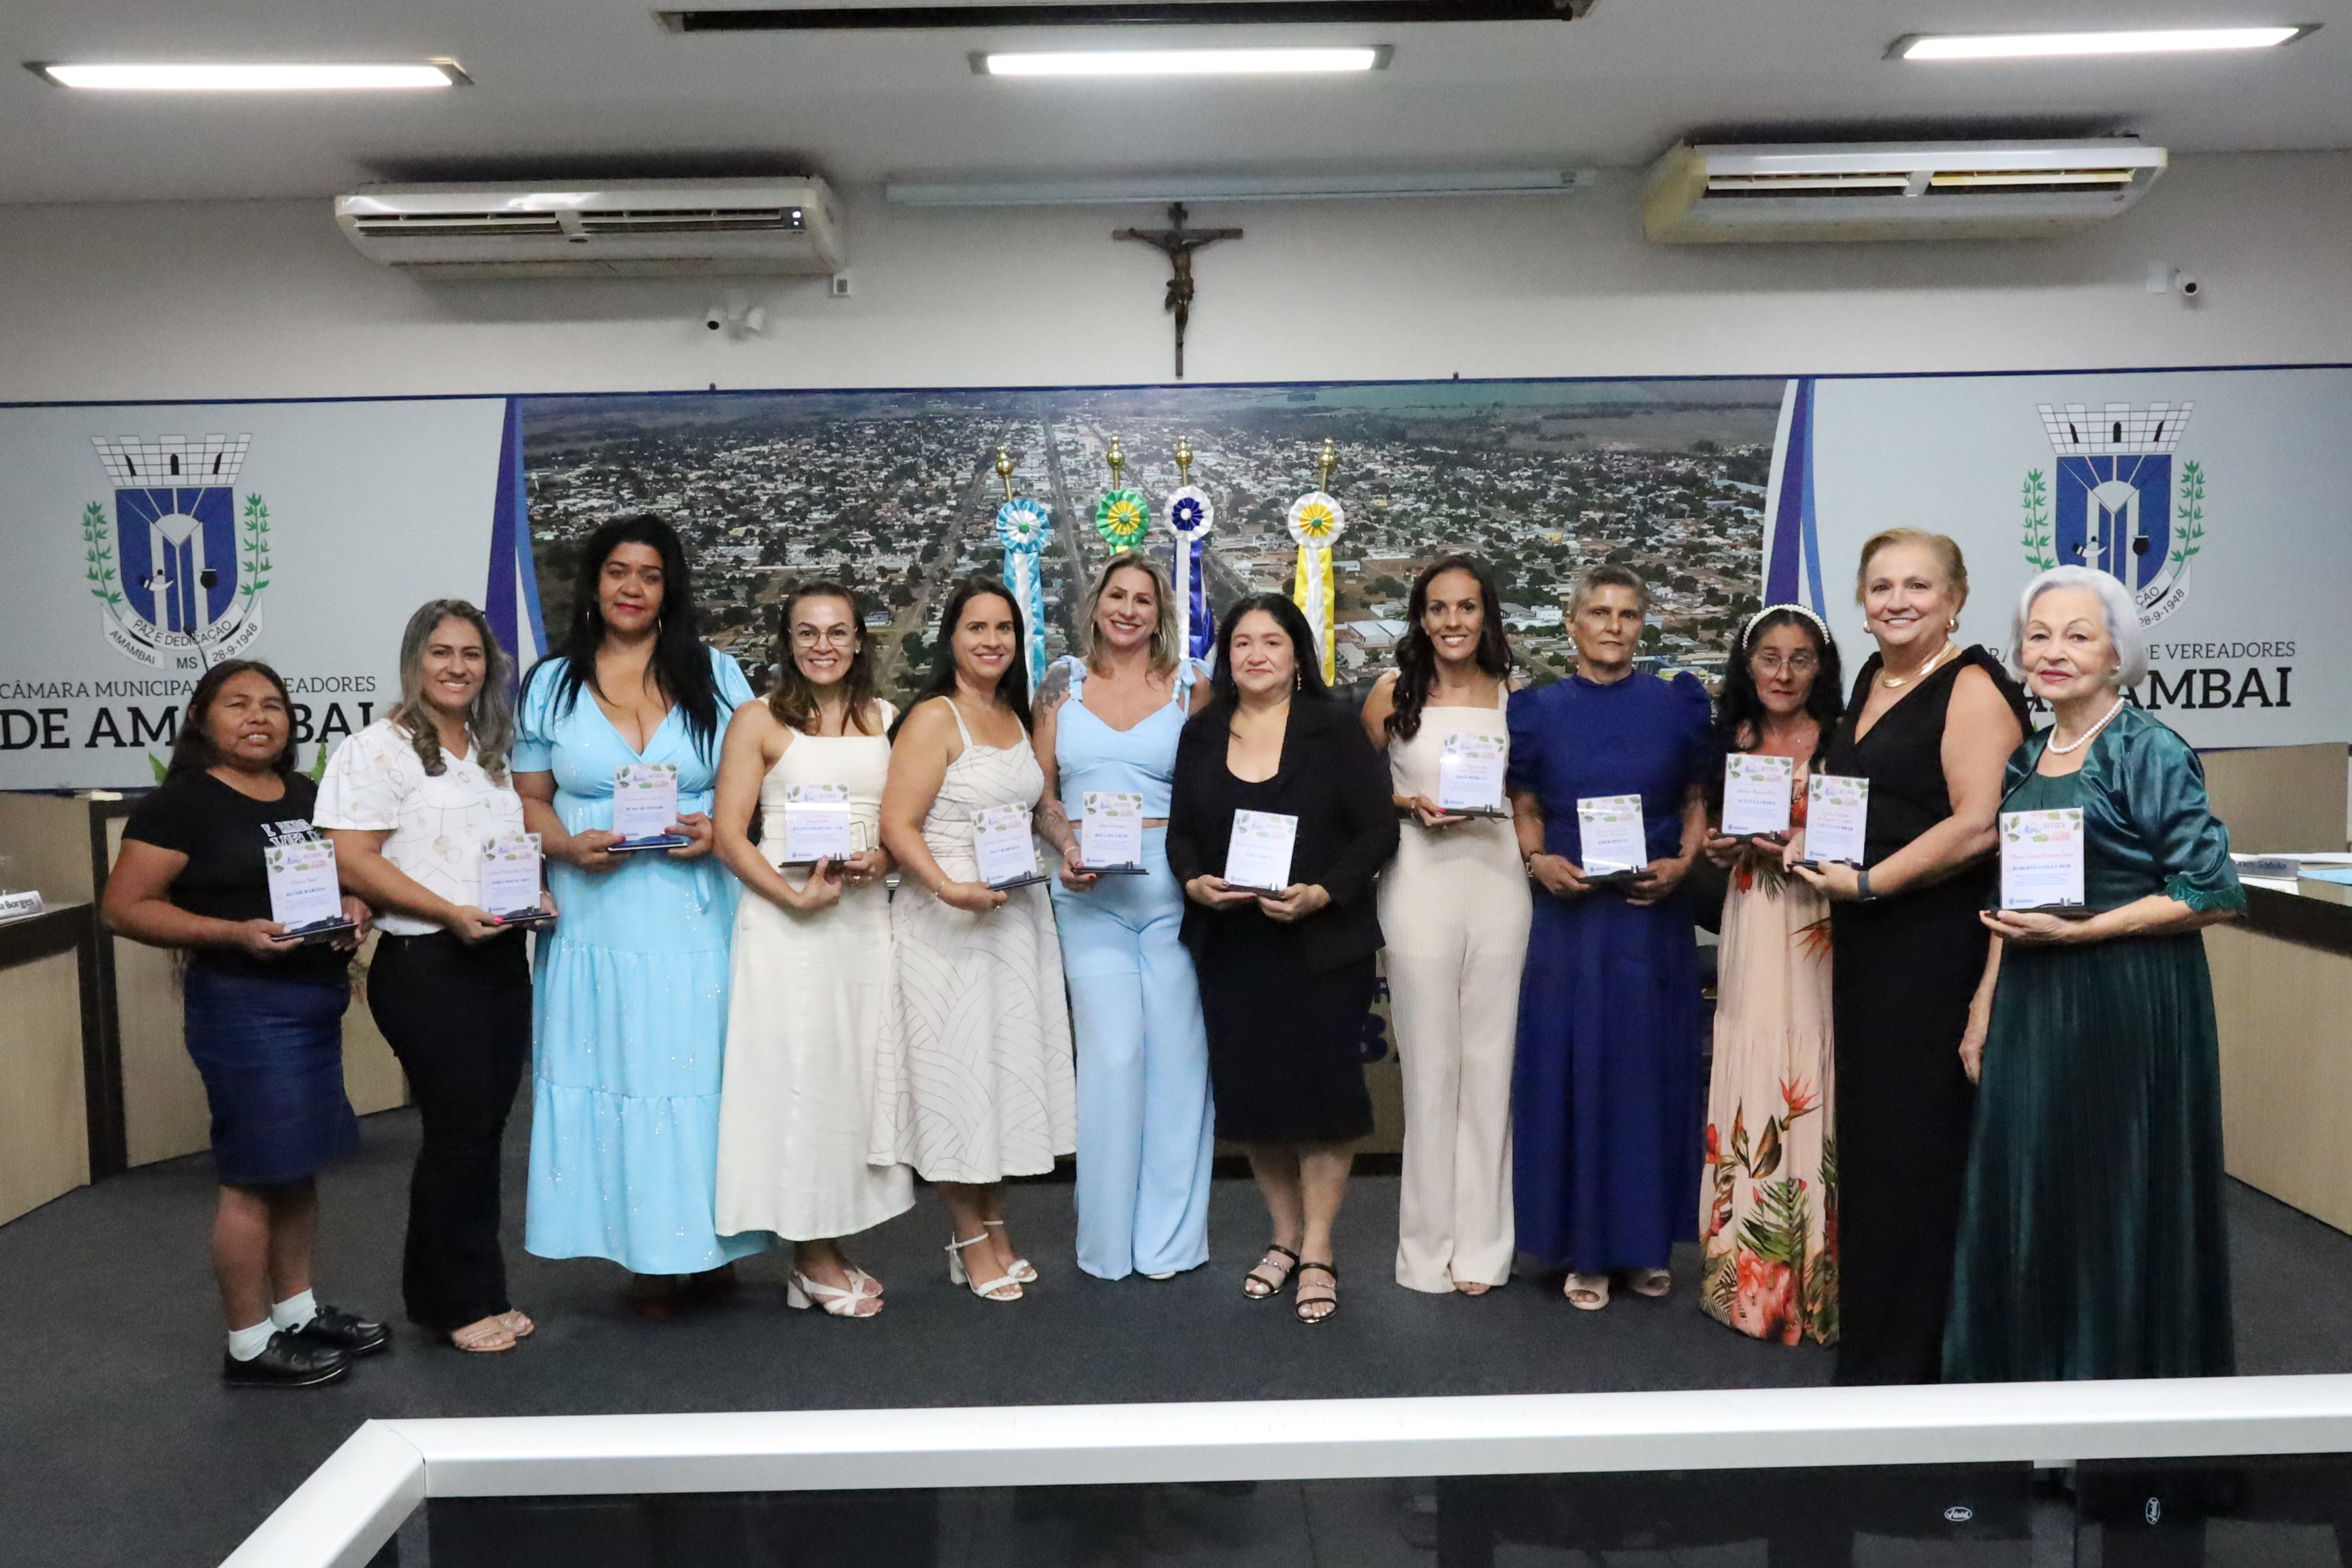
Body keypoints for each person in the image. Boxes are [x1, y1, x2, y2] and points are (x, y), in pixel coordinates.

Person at [1944, 567, 2243, 1382]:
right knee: (2033, 1187)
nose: (2054, 652)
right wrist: (1984, 1005)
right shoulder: (2028, 757)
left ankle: (2109, 1398)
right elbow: (2013, 896)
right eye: (2039, 635)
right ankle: (2030, 1393)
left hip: (2127, 1000)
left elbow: (2211, 892)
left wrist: (2084, 933)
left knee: (2111, 1189)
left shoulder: (2149, 751)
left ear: (2118, 653)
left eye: (2078, 636)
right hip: (2033, 1001)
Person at [1789, 529, 2027, 1385]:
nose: (1897, 601)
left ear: (1954, 597)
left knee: (1920, 1155)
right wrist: (1813, 844)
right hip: (1869, 943)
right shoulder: (1873, 679)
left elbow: (1979, 824)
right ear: (1861, 601)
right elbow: (1873, 799)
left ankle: (1920, 1368)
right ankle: (1879, 1354)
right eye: (1882, 586)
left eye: (1918, 586)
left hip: (1933, 947)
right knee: (1879, 1153)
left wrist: (1871, 883)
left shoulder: (1973, 686)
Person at [514, 516, 765, 1318]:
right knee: (621, 1075)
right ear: (594, 584)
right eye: (618, 571)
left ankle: (714, 1241)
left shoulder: (717, 674)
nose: (632, 588)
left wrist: (719, 830)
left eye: (650, 575)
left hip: (698, 912)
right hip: (598, 917)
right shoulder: (550, 683)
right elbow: (529, 798)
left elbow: (760, 781)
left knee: (701, 1077)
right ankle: (648, 1255)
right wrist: (565, 845)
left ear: (669, 589)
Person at [105, 661, 382, 1387]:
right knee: (254, 1176)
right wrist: (231, 933)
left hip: (312, 1002)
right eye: (238, 704)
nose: (259, 717)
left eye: (272, 705)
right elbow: (125, 907)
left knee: (294, 1167)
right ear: (202, 719)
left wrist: (355, 908)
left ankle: (297, 1312)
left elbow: (343, 879)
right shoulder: (180, 805)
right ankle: (251, 1344)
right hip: (243, 1008)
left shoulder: (306, 797)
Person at [318, 601, 544, 1354]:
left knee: (484, 1131)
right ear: (415, 660)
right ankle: (454, 1304)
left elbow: (493, 852)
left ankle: (476, 1290)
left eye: (471, 654)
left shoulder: (487, 750)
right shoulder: (374, 751)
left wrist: (531, 894)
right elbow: (352, 857)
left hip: (499, 958)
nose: (457, 667)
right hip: (427, 965)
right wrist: (449, 912)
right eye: (441, 652)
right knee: (457, 1133)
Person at [1168, 593, 1399, 1324]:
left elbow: (1377, 831)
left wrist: (1323, 893)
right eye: (1242, 643)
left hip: (1320, 945)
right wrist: (1192, 881)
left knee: (1323, 1100)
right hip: (1235, 945)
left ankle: (1321, 1247)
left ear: (1298, 653)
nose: (1256, 655)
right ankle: (1284, 1235)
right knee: (1257, 1100)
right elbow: (1181, 833)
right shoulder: (1202, 732)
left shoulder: (1334, 729)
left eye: (1272, 641)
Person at [1508, 564, 1712, 1312]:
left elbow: (1697, 798)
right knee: (1576, 1072)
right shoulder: (1538, 710)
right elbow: (1525, 802)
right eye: (1598, 612)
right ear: (1572, 623)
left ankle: (1644, 1245)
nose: (1613, 627)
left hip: (1650, 915)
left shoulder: (1675, 705)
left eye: (1627, 614)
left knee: (1647, 1074)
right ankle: (1584, 1251)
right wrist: (1537, 861)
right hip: (1572, 919)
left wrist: (1684, 863)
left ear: (1641, 625)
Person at [710, 582, 912, 1318]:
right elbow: (729, 835)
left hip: (861, 923)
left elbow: (901, 825)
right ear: (788, 642)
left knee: (850, 1081)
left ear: (859, 639)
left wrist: (882, 861)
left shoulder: (888, 719)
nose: (822, 646)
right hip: (785, 926)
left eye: (836, 632)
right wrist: (793, 898)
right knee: (797, 1082)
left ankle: (825, 1243)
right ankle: (810, 1255)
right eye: (807, 632)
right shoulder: (758, 720)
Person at [875, 578, 1077, 1303]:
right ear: (952, 638)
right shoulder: (935, 717)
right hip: (948, 924)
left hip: (1013, 920)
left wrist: (1070, 846)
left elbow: (1037, 807)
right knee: (955, 1082)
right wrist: (945, 887)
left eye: (1004, 629)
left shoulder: (1014, 716)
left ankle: (994, 1229)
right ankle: (967, 1237)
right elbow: (897, 825)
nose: (992, 641)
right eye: (976, 628)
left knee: (999, 1077)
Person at [1033, 553, 1217, 1283]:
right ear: (1096, 603)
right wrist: (1068, 846)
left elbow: (1210, 793)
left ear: (1160, 612)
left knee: (1178, 1063)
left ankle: (1169, 1242)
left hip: (1170, 893)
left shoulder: (1191, 686)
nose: (1129, 610)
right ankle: (1106, 1243)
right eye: (1117, 595)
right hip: (1087, 895)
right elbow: (1042, 795)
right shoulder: (1060, 682)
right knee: (1111, 1060)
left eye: (1144, 599)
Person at [1361, 556, 1530, 1296]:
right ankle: (1425, 1249)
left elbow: (1530, 797)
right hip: (1419, 884)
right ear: (1421, 618)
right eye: (1438, 608)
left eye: (1466, 607)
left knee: (1490, 1069)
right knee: (1430, 1071)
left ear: (1486, 615)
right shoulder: (1390, 693)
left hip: (1498, 883)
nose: (1453, 621)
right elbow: (1354, 793)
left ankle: (1485, 1249)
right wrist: (1408, 804)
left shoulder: (1515, 695)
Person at [1696, 604, 1844, 1346]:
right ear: (1747, 664)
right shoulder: (1731, 739)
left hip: (1820, 918)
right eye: (1769, 658)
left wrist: (1803, 837)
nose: (1783, 674)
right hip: (1754, 911)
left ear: (1822, 667)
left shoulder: (1846, 740)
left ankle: (1819, 1280)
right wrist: (1721, 848)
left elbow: (1864, 835)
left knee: (1815, 1067)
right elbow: (1712, 832)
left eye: (1801, 658)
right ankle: (1745, 1282)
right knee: (1753, 1061)